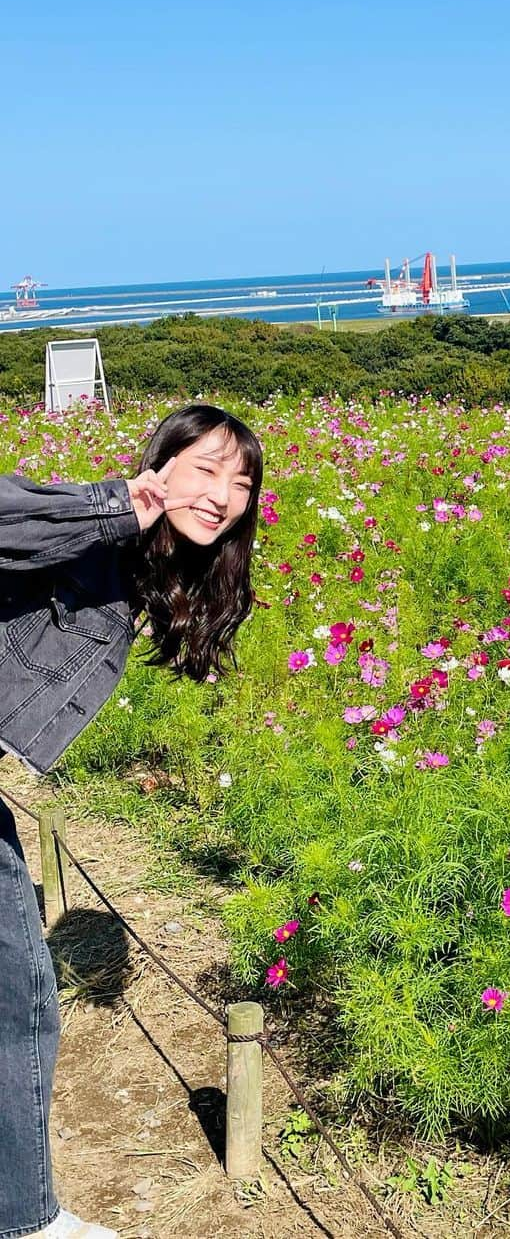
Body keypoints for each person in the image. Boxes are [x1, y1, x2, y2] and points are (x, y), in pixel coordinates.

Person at [0, 403, 263, 1239]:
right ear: (161, 465)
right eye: (207, 469)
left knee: (17, 993)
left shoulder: (153, 568)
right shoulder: (97, 519)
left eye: (243, 482)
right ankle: (26, 1220)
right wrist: (120, 504)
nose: (224, 495)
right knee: (22, 998)